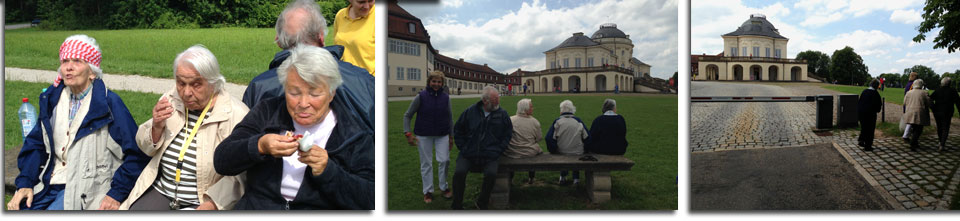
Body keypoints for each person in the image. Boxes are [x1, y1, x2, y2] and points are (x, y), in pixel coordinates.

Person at [213, 45, 374, 210]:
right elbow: (222, 160)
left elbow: (369, 198)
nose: (303, 104)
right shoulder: (268, 112)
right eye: (294, 93)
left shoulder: (353, 133)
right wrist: (259, 145)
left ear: (331, 93)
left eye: (314, 94)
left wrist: (328, 171)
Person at [8, 35, 149, 210]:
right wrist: (26, 182)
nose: (69, 67)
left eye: (77, 61)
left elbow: (137, 154)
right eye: (65, 60)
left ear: (92, 71)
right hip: (50, 181)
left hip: (88, 188)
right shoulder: (53, 99)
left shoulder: (108, 104)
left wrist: (116, 193)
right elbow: (36, 143)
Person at [119, 45, 248, 210]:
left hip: (203, 199)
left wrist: (213, 204)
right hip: (162, 190)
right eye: (181, 83)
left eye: (196, 84)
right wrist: (155, 128)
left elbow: (241, 175)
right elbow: (145, 148)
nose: (186, 92)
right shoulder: (171, 99)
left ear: (213, 82)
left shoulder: (235, 114)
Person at [242, 0, 374, 128]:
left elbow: (245, 138)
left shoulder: (258, 87)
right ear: (321, 37)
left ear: (278, 41)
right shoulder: (363, 80)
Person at [451, 86, 512, 210]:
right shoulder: (470, 112)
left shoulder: (502, 114)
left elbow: (508, 133)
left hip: (491, 154)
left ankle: (482, 203)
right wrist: (464, 148)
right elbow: (458, 130)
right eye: (495, 98)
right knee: (459, 172)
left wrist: (499, 150)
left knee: (491, 174)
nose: (498, 101)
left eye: (498, 97)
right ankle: (457, 205)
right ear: (485, 101)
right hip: (469, 153)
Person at [402, 71, 454, 203]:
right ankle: (428, 191)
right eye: (434, 81)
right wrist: (407, 133)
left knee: (444, 160)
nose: (436, 84)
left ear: (442, 83)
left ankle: (443, 187)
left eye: (439, 82)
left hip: (442, 134)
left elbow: (450, 118)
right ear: (429, 82)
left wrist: (451, 136)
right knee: (426, 164)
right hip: (423, 134)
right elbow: (407, 115)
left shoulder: (446, 97)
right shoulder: (421, 97)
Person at [545, 100, 589, 185]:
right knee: (575, 152)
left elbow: (548, 138)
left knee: (564, 151)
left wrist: (553, 150)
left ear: (561, 110)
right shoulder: (578, 121)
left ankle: (563, 177)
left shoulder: (557, 122)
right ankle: (576, 179)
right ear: (572, 110)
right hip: (578, 152)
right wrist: (586, 149)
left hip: (562, 151)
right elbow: (587, 137)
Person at [504, 98, 542, 184]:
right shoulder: (535, 122)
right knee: (535, 153)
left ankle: (510, 178)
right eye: (531, 107)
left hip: (512, 151)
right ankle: (531, 178)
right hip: (529, 152)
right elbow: (539, 138)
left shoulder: (510, 120)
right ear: (525, 109)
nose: (533, 108)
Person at [331, 0, 375, 76]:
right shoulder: (340, 15)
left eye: (371, 1)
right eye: (361, 2)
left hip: (368, 82)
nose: (367, 6)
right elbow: (336, 48)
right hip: (343, 79)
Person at [931, 77, 960, 151]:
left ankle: (940, 141)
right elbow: (958, 102)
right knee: (945, 128)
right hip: (947, 112)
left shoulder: (938, 90)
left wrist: (933, 108)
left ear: (942, 83)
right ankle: (942, 144)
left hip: (937, 112)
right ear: (949, 83)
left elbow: (930, 99)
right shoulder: (953, 91)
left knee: (939, 127)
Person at [903, 79, 932, 151]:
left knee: (914, 128)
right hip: (920, 113)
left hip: (910, 112)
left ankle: (915, 143)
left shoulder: (908, 93)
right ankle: (913, 144)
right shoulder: (924, 93)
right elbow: (929, 103)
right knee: (918, 129)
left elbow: (904, 103)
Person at [857, 79, 883, 151]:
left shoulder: (864, 91)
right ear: (877, 86)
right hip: (870, 114)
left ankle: (861, 140)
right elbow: (878, 106)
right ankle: (868, 146)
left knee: (864, 127)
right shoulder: (876, 94)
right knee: (870, 130)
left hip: (861, 113)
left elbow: (860, 102)